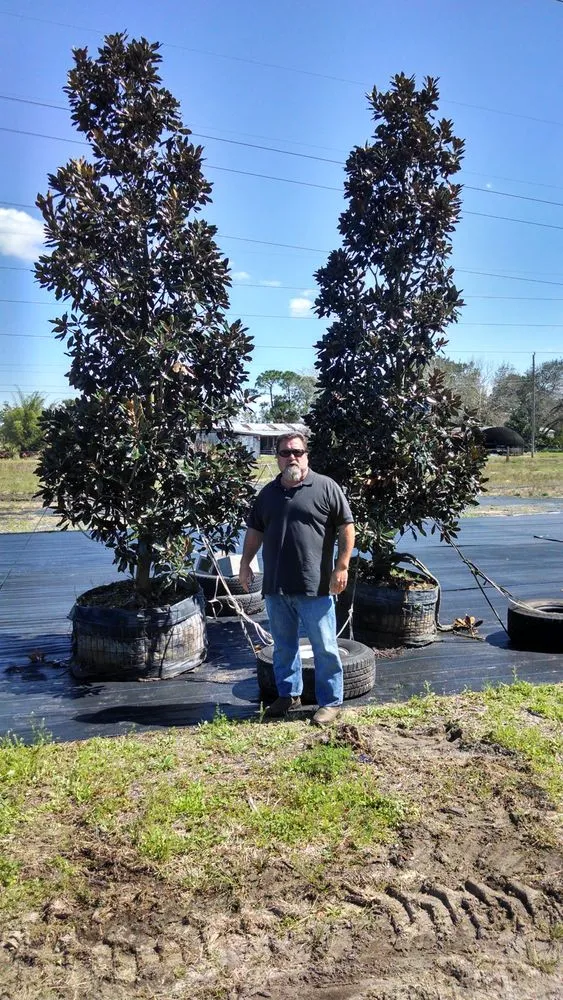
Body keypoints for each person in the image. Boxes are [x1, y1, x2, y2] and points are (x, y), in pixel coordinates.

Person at [239, 432, 355, 726]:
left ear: (306, 455)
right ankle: (289, 694)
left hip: (315, 586)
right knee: (284, 646)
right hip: (276, 587)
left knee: (325, 647)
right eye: (286, 453)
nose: (292, 457)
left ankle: (330, 701)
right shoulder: (267, 494)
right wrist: (245, 562)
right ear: (277, 457)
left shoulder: (326, 487)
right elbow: (255, 531)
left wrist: (341, 567)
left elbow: (346, 527)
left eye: (298, 452)